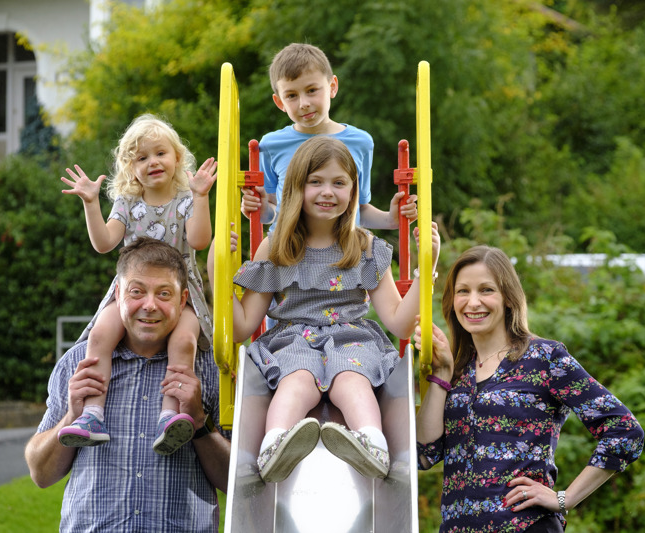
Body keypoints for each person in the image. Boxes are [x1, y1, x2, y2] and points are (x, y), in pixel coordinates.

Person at [208, 136, 439, 483]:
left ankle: (372, 444)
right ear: (296, 188)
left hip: (351, 338)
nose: (327, 191)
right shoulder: (276, 248)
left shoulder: (363, 246)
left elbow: (399, 322)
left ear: (353, 191)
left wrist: (427, 267)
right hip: (292, 340)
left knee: (352, 379)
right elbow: (241, 327)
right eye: (315, 181)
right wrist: (217, 267)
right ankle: (275, 445)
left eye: (339, 182)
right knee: (297, 379)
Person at [415, 245, 644, 532]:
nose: (473, 302)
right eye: (463, 291)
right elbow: (424, 454)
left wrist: (565, 498)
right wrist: (441, 375)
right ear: (451, 301)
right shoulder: (458, 369)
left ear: (508, 298)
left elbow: (624, 430)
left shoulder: (544, 358)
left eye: (486, 290)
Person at [25, 237, 231, 533]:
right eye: (137, 291)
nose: (149, 305)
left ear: (183, 300)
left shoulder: (211, 368)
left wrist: (199, 423)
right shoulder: (78, 364)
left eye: (164, 293)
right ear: (118, 294)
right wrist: (71, 417)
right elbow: (40, 473)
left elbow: (238, 484)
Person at [58, 114, 217, 455]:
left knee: (185, 339)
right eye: (141, 158)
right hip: (131, 291)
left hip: (179, 293)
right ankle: (91, 414)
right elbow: (104, 243)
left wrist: (201, 196)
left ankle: (170, 415)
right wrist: (90, 204)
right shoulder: (128, 204)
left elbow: (200, 240)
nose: (152, 162)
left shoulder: (187, 199)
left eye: (160, 153)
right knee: (100, 335)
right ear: (130, 169)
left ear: (177, 158)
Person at [240, 42, 417, 231]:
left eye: (311, 90)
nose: (304, 103)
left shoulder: (360, 142)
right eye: (291, 95)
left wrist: (391, 219)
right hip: (289, 253)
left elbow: (359, 209)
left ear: (332, 87)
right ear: (279, 102)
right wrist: (259, 208)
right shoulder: (271, 144)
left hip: (344, 254)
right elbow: (273, 210)